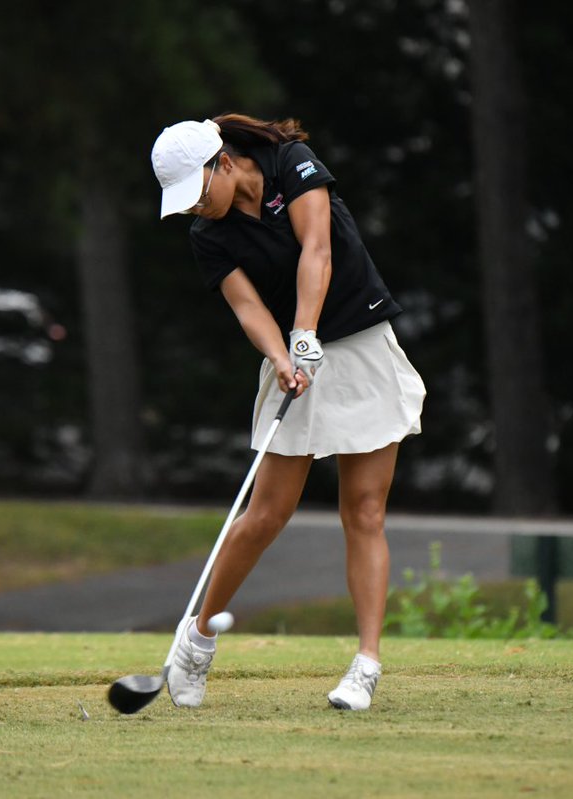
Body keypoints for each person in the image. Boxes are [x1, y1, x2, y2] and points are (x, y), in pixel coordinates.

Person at [150, 114, 426, 711]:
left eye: (198, 194)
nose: (196, 209)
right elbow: (247, 307)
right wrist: (282, 354)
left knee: (365, 510)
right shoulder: (209, 234)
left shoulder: (291, 162)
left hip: (358, 337)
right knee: (266, 513)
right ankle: (195, 644)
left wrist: (305, 332)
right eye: (186, 205)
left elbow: (317, 251)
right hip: (291, 354)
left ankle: (366, 666)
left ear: (222, 163)